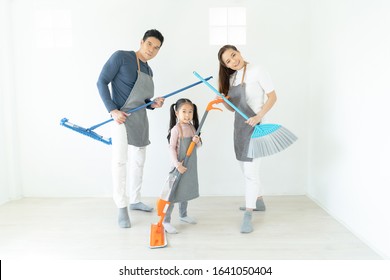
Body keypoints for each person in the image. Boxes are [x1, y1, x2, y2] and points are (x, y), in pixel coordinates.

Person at [97, 29, 165, 228]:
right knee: (120, 161)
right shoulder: (121, 57)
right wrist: (112, 110)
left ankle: (135, 200)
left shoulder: (149, 71)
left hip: (140, 119)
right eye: (149, 44)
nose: (151, 50)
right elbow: (101, 81)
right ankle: (121, 207)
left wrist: (153, 104)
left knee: (139, 162)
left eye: (156, 48)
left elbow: (143, 101)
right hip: (121, 118)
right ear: (141, 41)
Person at [217, 45, 277, 233]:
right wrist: (223, 101)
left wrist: (259, 116)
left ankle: (248, 215)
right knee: (244, 168)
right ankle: (258, 201)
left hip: (257, 127)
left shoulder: (257, 70)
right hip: (240, 128)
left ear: (239, 52)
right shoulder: (232, 78)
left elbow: (273, 97)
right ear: (225, 66)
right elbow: (234, 108)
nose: (233, 61)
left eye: (233, 55)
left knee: (251, 172)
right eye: (228, 61)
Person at [163, 98, 201, 234]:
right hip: (178, 167)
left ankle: (183, 215)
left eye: (190, 112)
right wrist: (177, 164)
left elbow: (199, 146)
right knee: (172, 195)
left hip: (189, 167)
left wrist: (197, 141)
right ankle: (165, 221)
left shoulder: (192, 127)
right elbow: (171, 148)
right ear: (176, 113)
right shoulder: (176, 129)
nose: (187, 115)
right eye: (184, 111)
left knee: (184, 191)